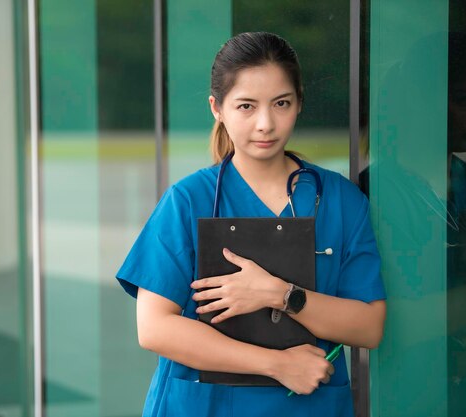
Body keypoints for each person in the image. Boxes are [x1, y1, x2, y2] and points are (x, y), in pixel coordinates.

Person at [116, 32, 387, 417]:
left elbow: (368, 326)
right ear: (217, 108)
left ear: (300, 103)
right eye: (246, 106)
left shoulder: (341, 201)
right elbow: (155, 328)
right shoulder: (188, 200)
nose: (265, 123)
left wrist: (279, 293)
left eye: (281, 103)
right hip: (203, 405)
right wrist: (277, 364)